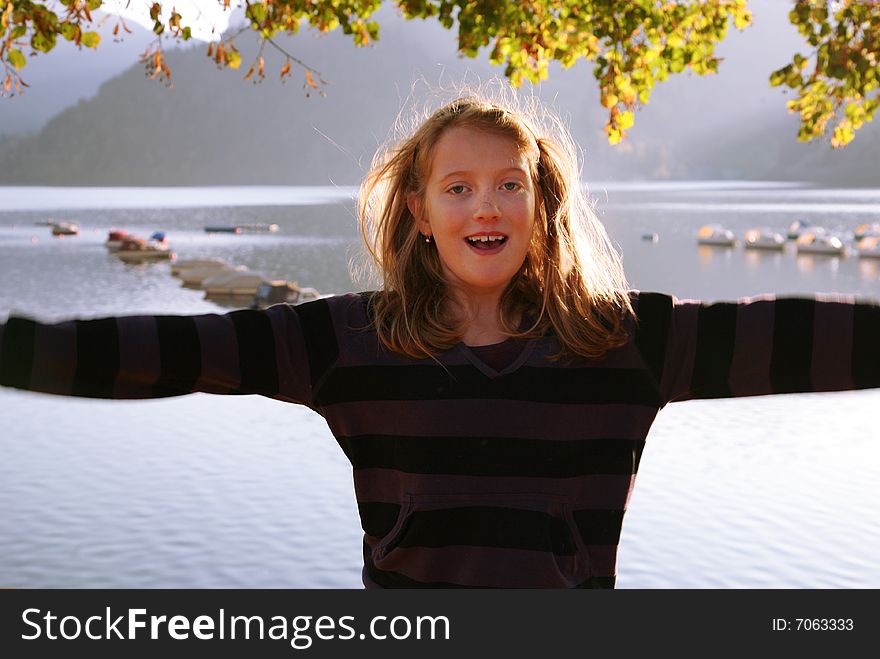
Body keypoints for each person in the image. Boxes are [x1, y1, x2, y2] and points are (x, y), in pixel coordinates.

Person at [1, 90, 878, 589]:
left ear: (543, 207)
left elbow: (797, 338)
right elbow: (170, 352)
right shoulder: (349, 340)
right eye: (457, 187)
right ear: (418, 210)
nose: (485, 205)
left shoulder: (624, 340)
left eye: (508, 184)